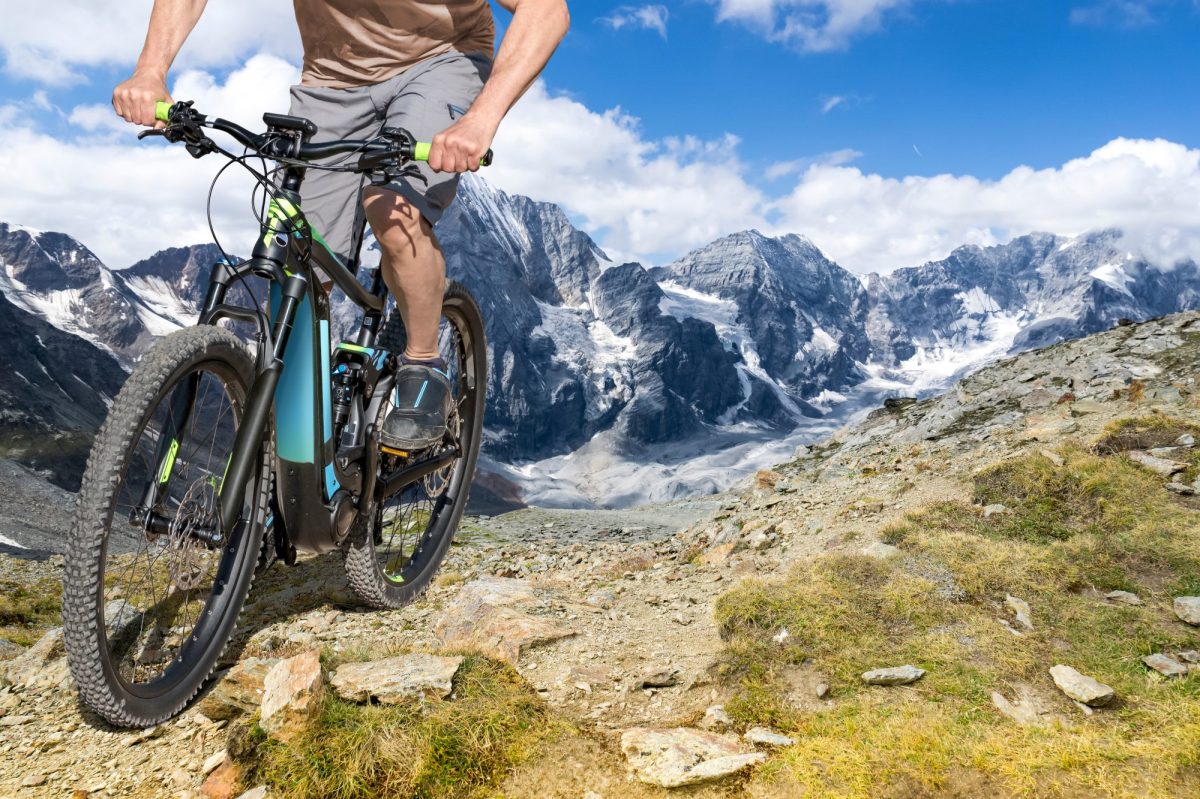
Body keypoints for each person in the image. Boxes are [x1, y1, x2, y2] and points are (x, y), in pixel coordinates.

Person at [113, 0, 570, 449]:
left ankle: (424, 364)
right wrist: (151, 69)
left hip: (441, 60)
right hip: (330, 82)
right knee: (296, 256)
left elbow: (547, 9)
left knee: (392, 206)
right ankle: (297, 465)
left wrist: (480, 120)